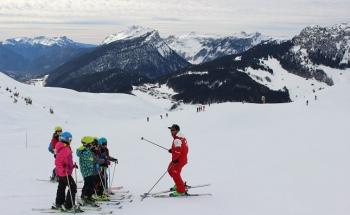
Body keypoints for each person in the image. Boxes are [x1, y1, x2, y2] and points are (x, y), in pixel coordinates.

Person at [53, 132, 81, 212]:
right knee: (73, 187)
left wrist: (72, 166)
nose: (70, 141)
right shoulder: (64, 148)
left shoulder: (63, 147)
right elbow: (58, 162)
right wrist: (63, 170)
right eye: (69, 139)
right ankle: (68, 205)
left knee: (61, 187)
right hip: (64, 173)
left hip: (63, 172)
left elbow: (66, 161)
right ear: (65, 139)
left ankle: (59, 203)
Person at [167, 124, 189, 197]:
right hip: (181, 159)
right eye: (171, 130)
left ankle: (181, 191)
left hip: (178, 160)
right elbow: (182, 148)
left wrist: (175, 159)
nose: (171, 132)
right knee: (170, 170)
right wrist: (172, 150)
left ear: (177, 130)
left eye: (173, 130)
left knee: (175, 174)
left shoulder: (177, 140)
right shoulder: (181, 138)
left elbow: (178, 151)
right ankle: (179, 184)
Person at [76, 136, 99, 206]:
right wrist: (93, 161)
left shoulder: (87, 150)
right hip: (86, 170)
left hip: (89, 170)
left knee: (90, 183)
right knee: (89, 183)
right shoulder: (85, 151)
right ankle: (85, 196)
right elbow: (89, 159)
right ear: (88, 144)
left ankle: (88, 196)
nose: (92, 145)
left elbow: (91, 159)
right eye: (91, 143)